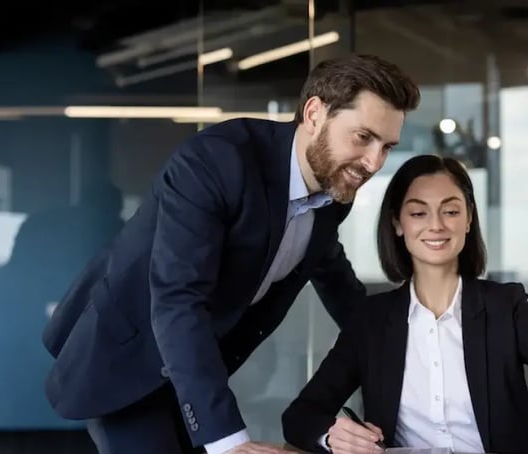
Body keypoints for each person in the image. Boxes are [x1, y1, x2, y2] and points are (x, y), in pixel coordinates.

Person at [41, 54, 421, 454]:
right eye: (363, 137)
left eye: (387, 146)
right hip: (126, 359)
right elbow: (177, 299)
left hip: (196, 369)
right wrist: (228, 443)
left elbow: (334, 276)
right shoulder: (217, 162)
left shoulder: (333, 187)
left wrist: (408, 347)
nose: (373, 163)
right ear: (313, 114)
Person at [281, 155, 528, 454]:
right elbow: (300, 416)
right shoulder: (371, 321)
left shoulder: (507, 306)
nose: (436, 225)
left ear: (469, 218)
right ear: (398, 222)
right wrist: (333, 436)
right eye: (419, 214)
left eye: (450, 211)